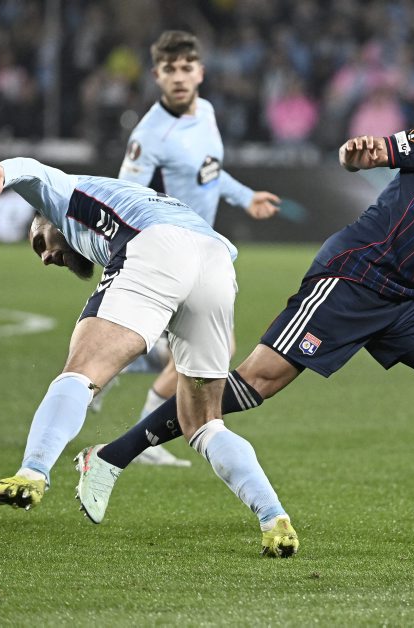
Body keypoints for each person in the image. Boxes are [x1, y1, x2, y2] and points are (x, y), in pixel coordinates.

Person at [75, 102, 414, 555]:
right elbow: (371, 152)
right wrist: (356, 154)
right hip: (353, 277)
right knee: (251, 386)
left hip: (407, 303)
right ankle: (109, 457)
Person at [0, 158, 299, 558]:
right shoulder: (132, 198)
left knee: (82, 372)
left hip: (153, 245)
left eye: (39, 243)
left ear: (46, 219)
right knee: (203, 422)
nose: (45, 257)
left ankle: (31, 474)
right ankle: (273, 519)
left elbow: (32, 171)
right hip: (215, 262)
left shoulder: (61, 197)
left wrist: (1, 173)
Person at [112, 30, 280, 466]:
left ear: (201, 72)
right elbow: (125, 196)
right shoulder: (150, 135)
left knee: (203, 350)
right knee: (212, 350)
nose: (179, 77)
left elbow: (211, 171)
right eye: (169, 69)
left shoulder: (205, 112)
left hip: (202, 249)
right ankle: (143, 430)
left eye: (186, 68)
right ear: (157, 76)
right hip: (168, 252)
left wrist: (246, 197)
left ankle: (130, 366)